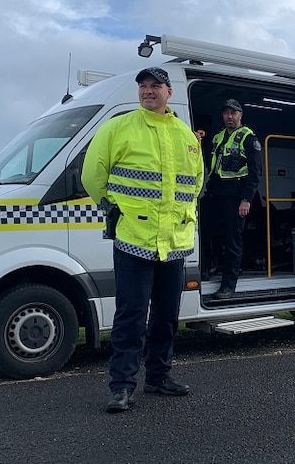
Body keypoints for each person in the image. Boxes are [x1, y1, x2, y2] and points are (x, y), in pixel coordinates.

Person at [81, 66, 203, 413]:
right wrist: (113, 206)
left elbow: (196, 182)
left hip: (174, 243)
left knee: (166, 315)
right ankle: (121, 386)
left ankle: (159, 377)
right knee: (131, 316)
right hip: (134, 238)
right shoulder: (118, 127)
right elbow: (93, 174)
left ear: (169, 92)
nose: (148, 91)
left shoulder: (186, 137)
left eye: (155, 86)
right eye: (143, 86)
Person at [204, 99, 264, 299]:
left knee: (232, 240)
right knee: (205, 231)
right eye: (226, 113)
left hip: (236, 197)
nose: (230, 116)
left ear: (240, 115)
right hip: (215, 194)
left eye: (233, 113)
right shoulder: (218, 137)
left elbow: (256, 173)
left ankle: (228, 285)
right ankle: (207, 269)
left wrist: (246, 199)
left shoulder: (249, 138)